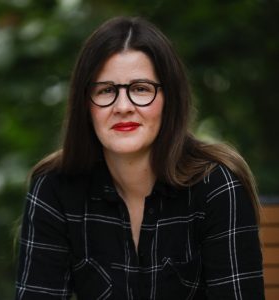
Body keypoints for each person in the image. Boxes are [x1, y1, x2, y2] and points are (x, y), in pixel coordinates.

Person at [15, 16, 265, 300]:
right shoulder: (54, 189)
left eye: (141, 89)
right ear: (85, 104)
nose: (123, 106)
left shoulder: (217, 187)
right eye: (106, 90)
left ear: (169, 99)